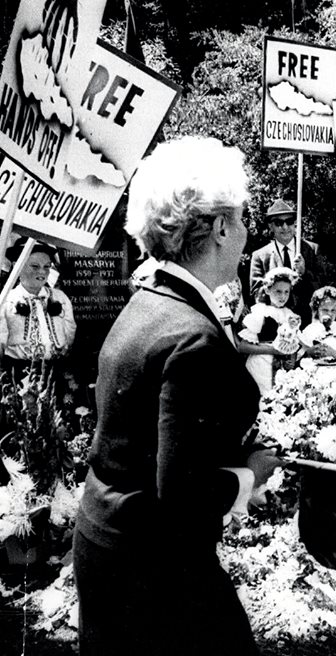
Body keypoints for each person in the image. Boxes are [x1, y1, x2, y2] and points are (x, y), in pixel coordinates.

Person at [73, 136, 280, 656]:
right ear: (219, 227)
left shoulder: (148, 301)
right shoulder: (193, 336)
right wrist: (250, 473)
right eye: (243, 216)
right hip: (155, 567)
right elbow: (181, 496)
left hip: (106, 538)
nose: (248, 232)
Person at [0, 239, 76, 379]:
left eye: (46, 266)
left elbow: (70, 333)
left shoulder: (60, 298)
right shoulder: (6, 301)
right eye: (35, 266)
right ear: (18, 266)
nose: (42, 272)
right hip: (20, 374)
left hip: (56, 371)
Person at [249, 199, 323, 325]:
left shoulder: (312, 250)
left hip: (308, 323)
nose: (285, 227)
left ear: (295, 224)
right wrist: (274, 282)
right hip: (275, 324)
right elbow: (256, 295)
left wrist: (305, 273)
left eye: (289, 222)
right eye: (278, 223)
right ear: (270, 226)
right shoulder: (260, 256)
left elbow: (322, 288)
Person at [237, 266, 302, 394]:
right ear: (267, 290)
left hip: (281, 370)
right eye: (278, 291)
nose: (282, 296)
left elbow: (294, 343)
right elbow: (243, 347)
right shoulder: (260, 312)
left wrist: (292, 360)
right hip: (261, 366)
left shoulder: (290, 314)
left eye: (286, 292)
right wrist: (273, 350)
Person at [300, 286, 336, 367]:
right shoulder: (310, 331)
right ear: (317, 310)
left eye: (333, 310)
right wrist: (309, 352)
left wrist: (333, 353)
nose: (330, 314)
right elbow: (299, 357)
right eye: (325, 310)